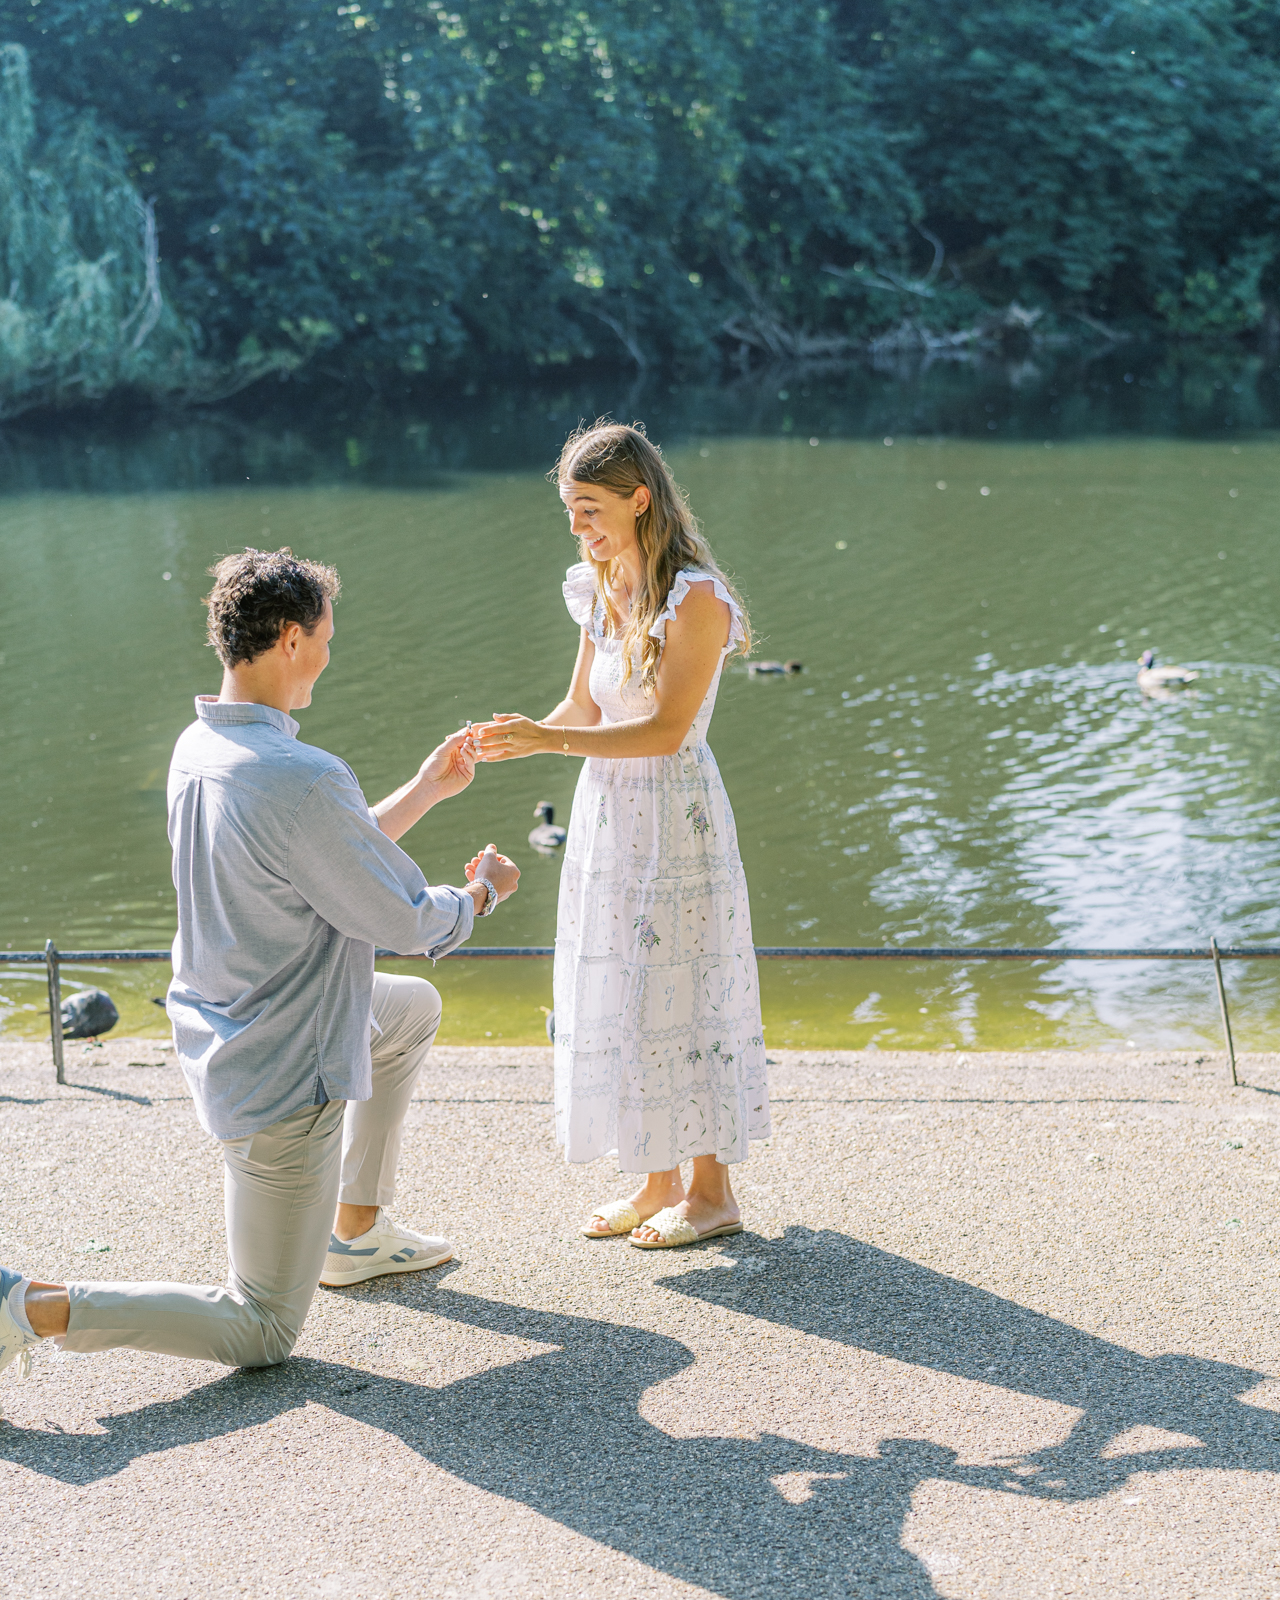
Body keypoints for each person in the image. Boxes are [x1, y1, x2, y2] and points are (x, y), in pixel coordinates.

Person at [0, 547, 519, 1380]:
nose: (328, 652)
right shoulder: (303, 777)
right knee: (263, 1328)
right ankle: (25, 1307)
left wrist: (425, 787)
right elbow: (406, 917)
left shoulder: (200, 747)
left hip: (227, 1019)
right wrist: (483, 895)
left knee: (410, 1010)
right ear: (288, 638)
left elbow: (321, 859)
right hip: (284, 1070)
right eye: (324, 636)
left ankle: (354, 1231)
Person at [471, 422, 768, 1249]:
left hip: (676, 815)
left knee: (686, 987)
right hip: (609, 815)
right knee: (630, 991)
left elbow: (668, 730)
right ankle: (656, 1178)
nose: (580, 528)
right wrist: (510, 736)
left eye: (592, 509)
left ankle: (713, 1194)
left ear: (641, 498)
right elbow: (585, 710)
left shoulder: (697, 599)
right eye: (571, 510)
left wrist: (550, 740)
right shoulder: (602, 583)